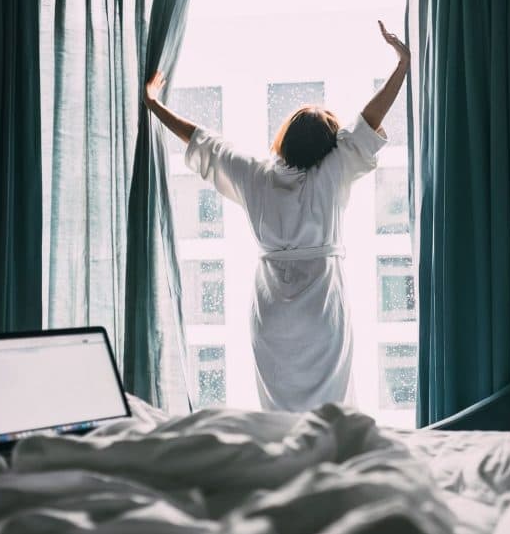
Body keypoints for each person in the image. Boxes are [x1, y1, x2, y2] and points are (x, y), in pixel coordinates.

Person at [144, 21, 410, 412]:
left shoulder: (255, 175)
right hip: (323, 310)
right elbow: (369, 120)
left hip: (272, 312)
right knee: (330, 409)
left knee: (278, 412)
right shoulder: (332, 172)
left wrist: (154, 103)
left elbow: (200, 138)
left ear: (284, 137)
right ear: (327, 145)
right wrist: (402, 66)